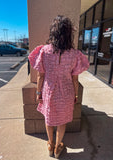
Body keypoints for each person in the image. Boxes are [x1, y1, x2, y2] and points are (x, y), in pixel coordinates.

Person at [28, 15, 89, 158]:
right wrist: (75, 95)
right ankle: (58, 147)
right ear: (69, 34)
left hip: (49, 91)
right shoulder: (74, 54)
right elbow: (75, 78)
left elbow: (40, 76)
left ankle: (50, 144)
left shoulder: (44, 51)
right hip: (67, 92)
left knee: (48, 118)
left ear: (53, 32)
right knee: (62, 120)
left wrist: (38, 93)